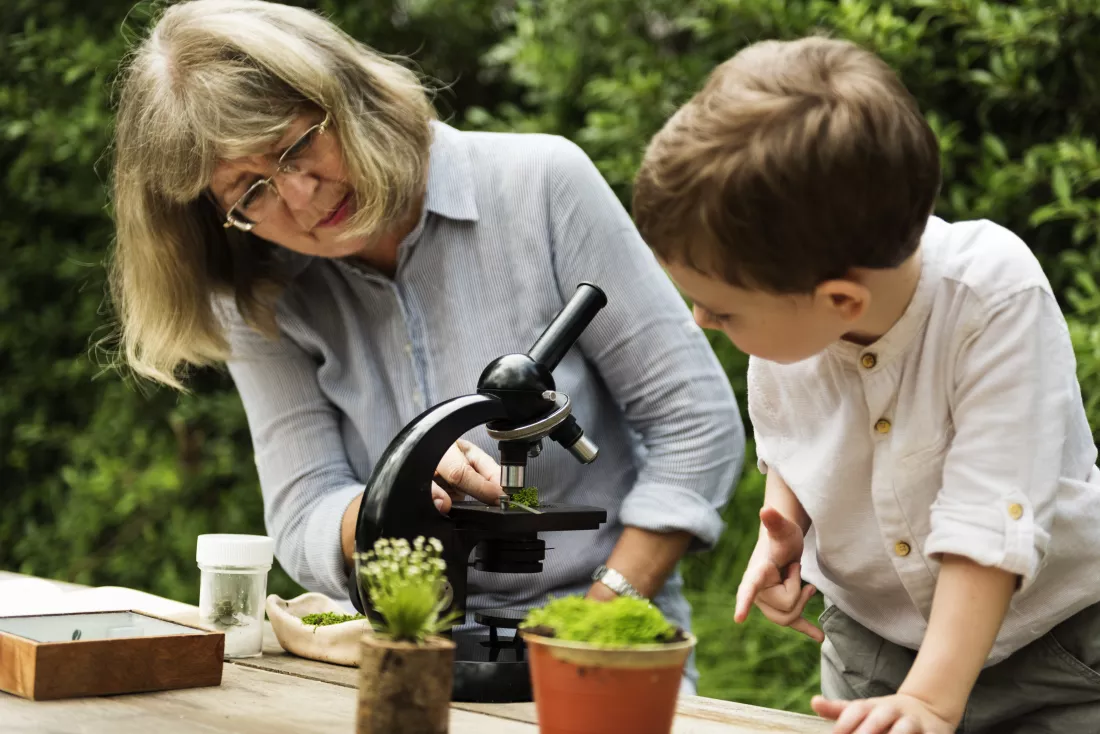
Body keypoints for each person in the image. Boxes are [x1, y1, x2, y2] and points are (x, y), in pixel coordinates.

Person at [107, 0, 744, 692]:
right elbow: (304, 508)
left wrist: (599, 616)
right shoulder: (259, 293)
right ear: (218, 217)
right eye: (250, 190)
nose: (300, 193)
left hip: (602, 651)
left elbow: (696, 423)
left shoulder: (542, 185)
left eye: (297, 146)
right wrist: (397, 495)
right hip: (400, 657)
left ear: (344, 96)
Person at [632, 35, 1100, 733]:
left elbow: (987, 520)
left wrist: (931, 700)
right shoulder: (793, 303)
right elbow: (797, 432)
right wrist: (787, 526)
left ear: (841, 301)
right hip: (872, 647)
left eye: (721, 309)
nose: (702, 322)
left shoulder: (990, 295)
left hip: (1052, 656)